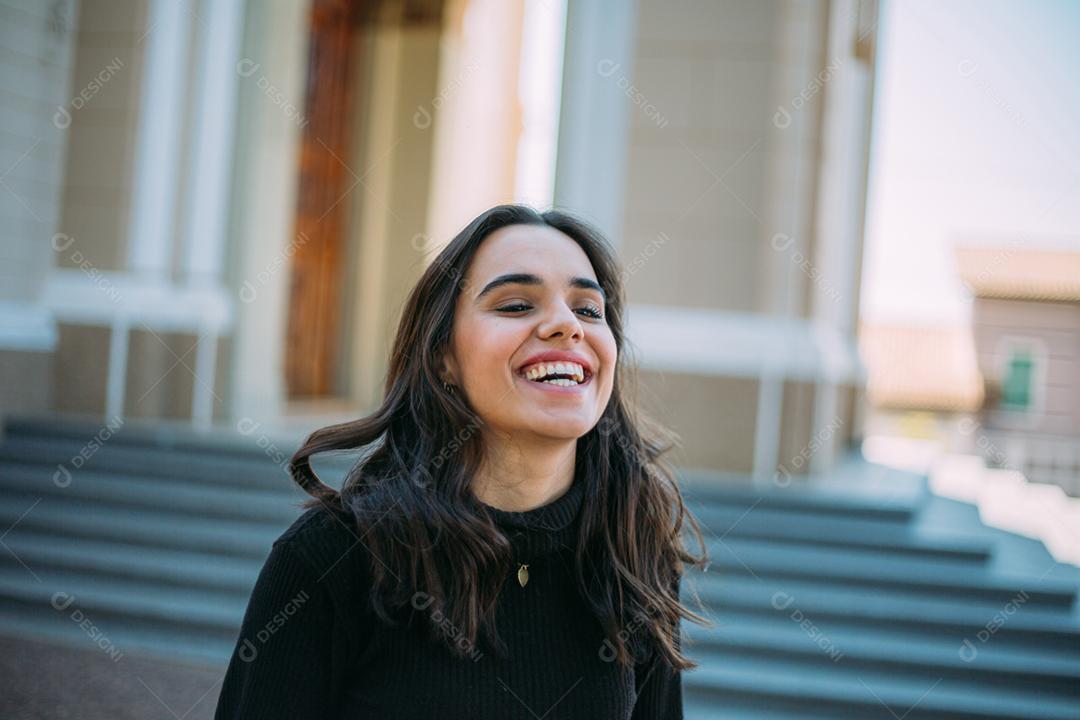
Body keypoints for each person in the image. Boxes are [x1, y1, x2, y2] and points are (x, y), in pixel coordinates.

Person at [213, 204, 712, 719]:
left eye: (588, 309)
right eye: (517, 304)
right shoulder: (332, 559)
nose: (567, 325)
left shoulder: (632, 554)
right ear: (442, 358)